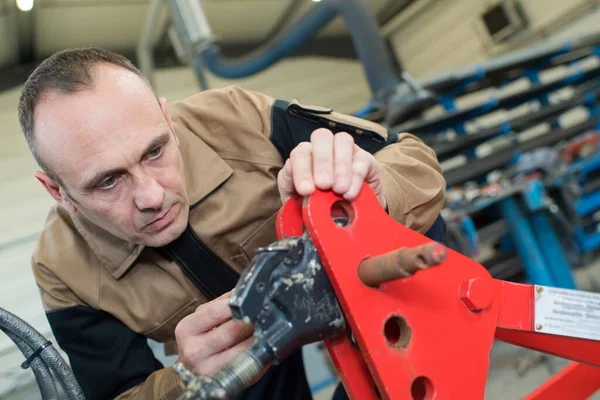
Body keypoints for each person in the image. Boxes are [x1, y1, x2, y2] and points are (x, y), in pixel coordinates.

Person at [19, 47, 446, 400]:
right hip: (243, 355)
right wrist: (184, 375)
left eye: (155, 152)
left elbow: (411, 157)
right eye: (108, 181)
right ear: (58, 192)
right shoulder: (61, 271)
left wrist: (375, 188)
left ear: (167, 119)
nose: (152, 196)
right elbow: (119, 393)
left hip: (357, 287)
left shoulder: (235, 119)